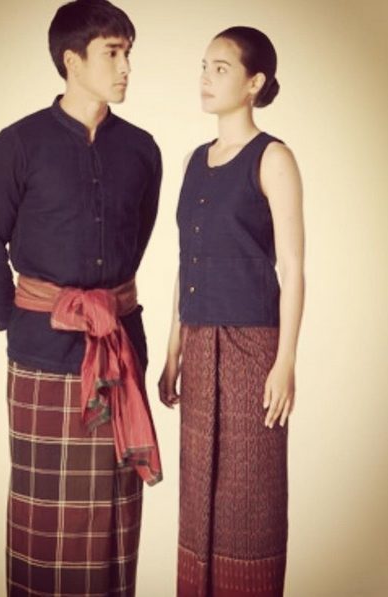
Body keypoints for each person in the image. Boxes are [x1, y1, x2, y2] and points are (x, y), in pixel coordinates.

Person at [0, 1, 162, 595]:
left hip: (119, 350)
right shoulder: (17, 144)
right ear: (72, 61)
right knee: (43, 515)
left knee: (115, 514)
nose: (126, 67)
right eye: (113, 53)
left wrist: (106, 309)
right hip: (43, 355)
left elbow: (136, 241)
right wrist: (20, 319)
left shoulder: (142, 150)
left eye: (129, 53)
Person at [159, 26, 305, 597]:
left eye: (220, 68)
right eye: (203, 66)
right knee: (198, 489)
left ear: (254, 83)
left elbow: (293, 267)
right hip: (198, 344)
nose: (205, 77)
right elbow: (185, 262)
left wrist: (285, 361)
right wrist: (173, 350)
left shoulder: (273, 158)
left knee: (250, 496)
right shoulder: (194, 161)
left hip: (253, 347)